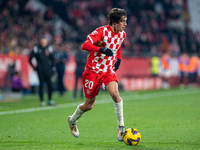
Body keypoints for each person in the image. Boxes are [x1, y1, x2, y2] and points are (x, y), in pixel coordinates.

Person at [67, 8, 127, 142]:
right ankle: (72, 120)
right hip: (92, 71)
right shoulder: (101, 32)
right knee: (89, 105)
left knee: (115, 95)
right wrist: (100, 49)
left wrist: (119, 58)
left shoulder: (122, 34)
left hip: (108, 70)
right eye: (123, 21)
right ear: (115, 22)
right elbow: (84, 45)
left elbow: (117, 46)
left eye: (125, 21)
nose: (125, 24)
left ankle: (121, 127)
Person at [29, 37, 56, 106]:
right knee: (41, 85)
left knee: (50, 85)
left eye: (44, 42)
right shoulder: (36, 49)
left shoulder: (49, 49)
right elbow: (30, 58)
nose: (43, 43)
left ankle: (50, 99)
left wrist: (53, 68)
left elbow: (53, 59)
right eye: (42, 42)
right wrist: (34, 67)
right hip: (40, 70)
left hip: (48, 70)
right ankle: (42, 101)